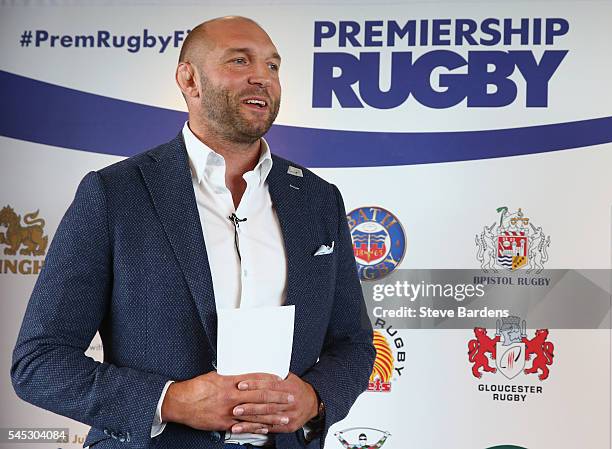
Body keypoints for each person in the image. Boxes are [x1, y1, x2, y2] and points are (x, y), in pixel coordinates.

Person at [11, 16, 375, 449]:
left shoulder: (318, 199)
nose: (262, 77)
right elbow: (39, 362)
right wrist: (172, 401)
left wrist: (316, 398)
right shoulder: (115, 194)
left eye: (273, 67)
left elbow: (352, 344)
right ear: (189, 79)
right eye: (240, 61)